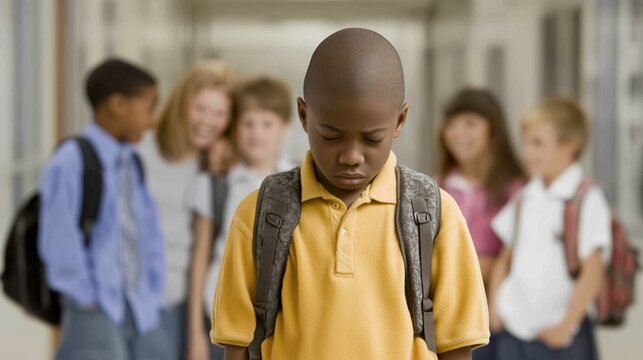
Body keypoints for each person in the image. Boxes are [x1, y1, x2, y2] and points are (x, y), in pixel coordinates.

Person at [211, 28, 489, 360]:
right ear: (303, 115)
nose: (351, 156)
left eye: (372, 139)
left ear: (400, 120)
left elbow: (456, 344)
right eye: (331, 136)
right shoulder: (261, 212)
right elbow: (236, 343)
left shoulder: (434, 213)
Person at [39, 58, 169, 359]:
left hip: (140, 308)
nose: (151, 121)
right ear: (118, 105)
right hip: (96, 309)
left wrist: (152, 291)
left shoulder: (132, 162)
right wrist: (87, 300)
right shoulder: (71, 161)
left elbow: (147, 233)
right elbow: (59, 241)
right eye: (148, 109)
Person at [489, 98, 610, 360]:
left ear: (570, 145)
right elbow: (505, 258)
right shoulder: (526, 196)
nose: (528, 152)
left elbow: (593, 269)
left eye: (538, 143)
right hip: (514, 329)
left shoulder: (586, 198)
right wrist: (495, 307)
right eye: (525, 142)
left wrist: (566, 325)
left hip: (559, 337)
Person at [186, 77, 294, 360]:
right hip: (218, 325)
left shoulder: (299, 184)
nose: (256, 134)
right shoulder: (215, 184)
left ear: (284, 127)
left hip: (277, 327)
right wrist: (195, 334)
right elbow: (200, 259)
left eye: (266, 124)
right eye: (248, 124)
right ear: (235, 127)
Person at [137, 60, 235, 359]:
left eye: (219, 113)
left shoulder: (217, 163)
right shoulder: (142, 148)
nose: (208, 120)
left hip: (192, 302)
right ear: (182, 105)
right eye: (201, 109)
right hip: (144, 301)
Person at [438, 89, 524, 359]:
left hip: (502, 321)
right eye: (451, 124)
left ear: (493, 129)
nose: (458, 133)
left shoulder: (517, 190)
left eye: (470, 123)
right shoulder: (436, 186)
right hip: (450, 317)